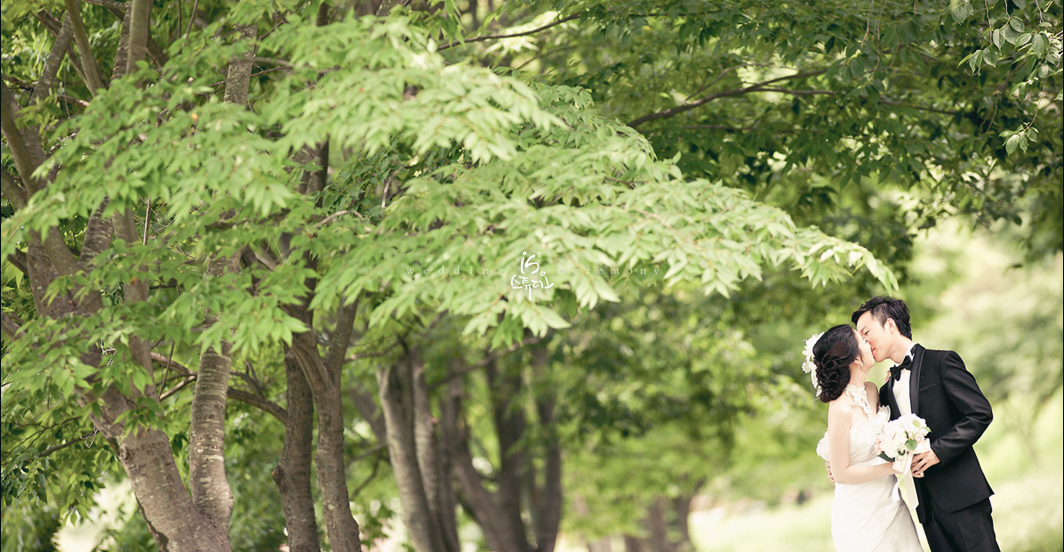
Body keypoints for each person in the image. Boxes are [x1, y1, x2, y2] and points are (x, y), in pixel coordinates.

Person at [852, 296, 1000, 552]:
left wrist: (937, 451)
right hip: (926, 508)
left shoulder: (941, 362)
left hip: (963, 496)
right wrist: (841, 461)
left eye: (867, 333)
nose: (864, 343)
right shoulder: (886, 389)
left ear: (889, 325)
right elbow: (871, 434)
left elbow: (979, 413)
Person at [812, 324, 923, 552]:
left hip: (892, 504)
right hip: (860, 515)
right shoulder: (840, 408)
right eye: (862, 340)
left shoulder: (873, 391)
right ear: (855, 358)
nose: (869, 342)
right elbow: (841, 472)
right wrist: (894, 467)